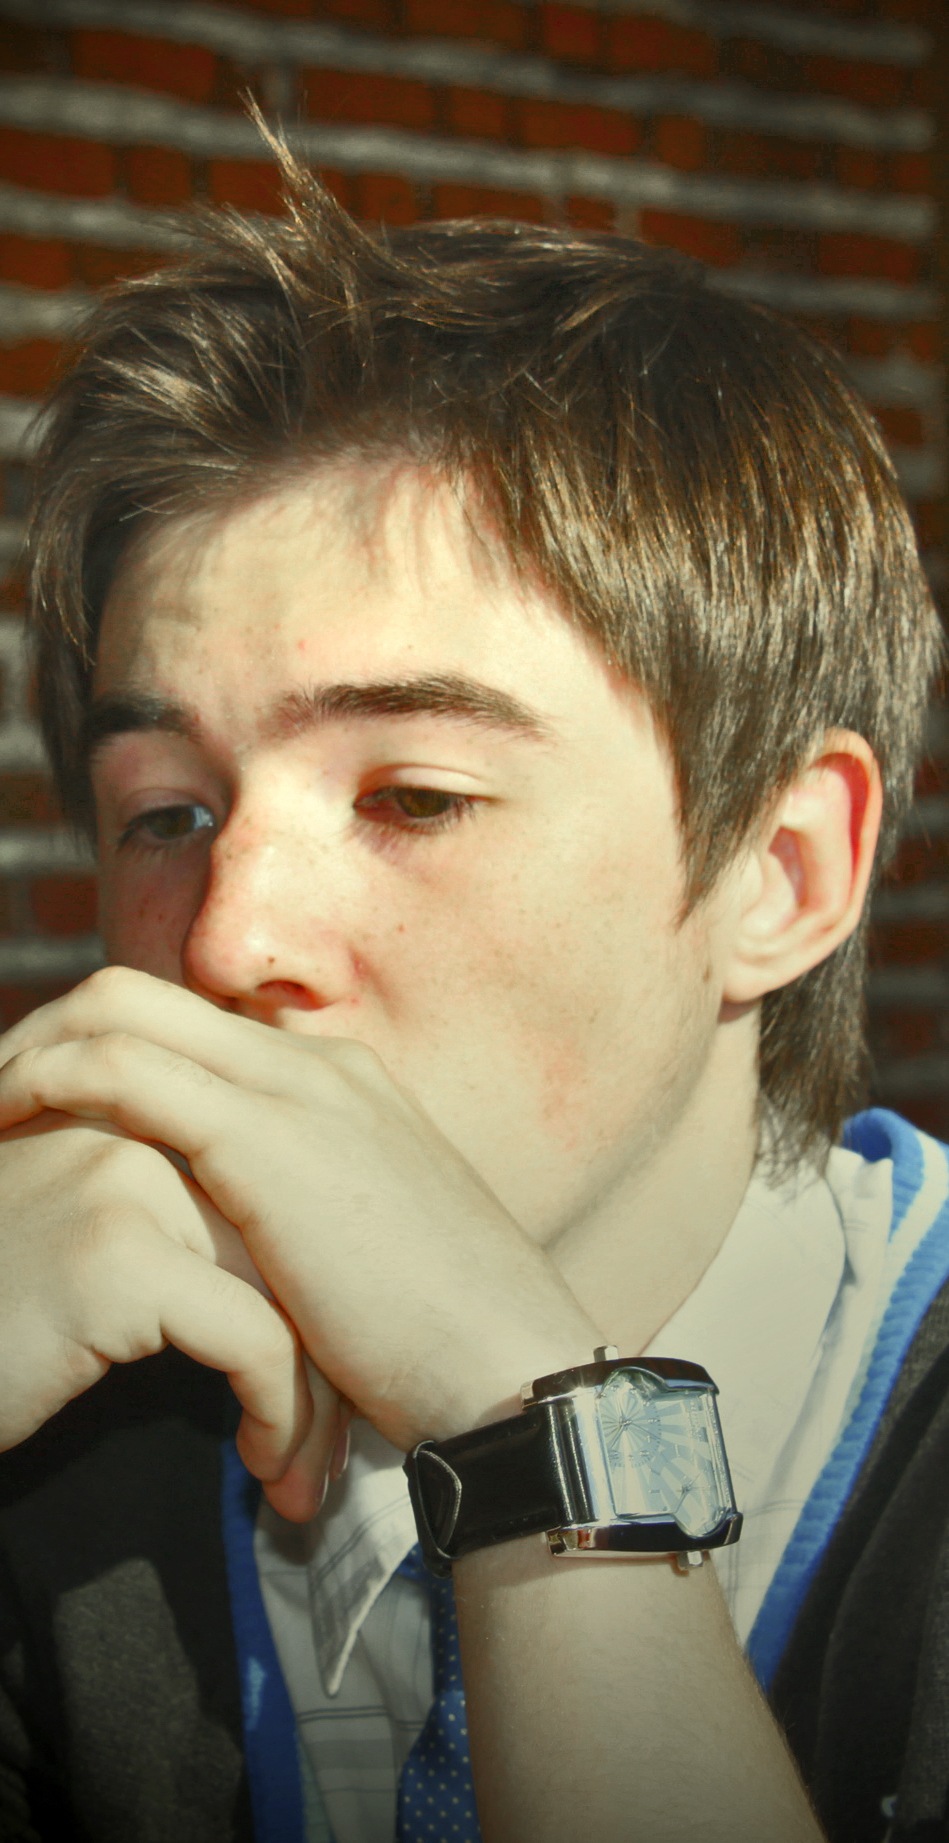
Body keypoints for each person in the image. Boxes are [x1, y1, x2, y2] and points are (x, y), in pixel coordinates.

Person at [0, 141, 946, 1843]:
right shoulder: (62, 1414)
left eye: (412, 797)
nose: (225, 942)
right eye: (169, 813)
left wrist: (539, 1451)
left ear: (779, 873)